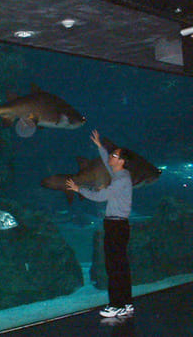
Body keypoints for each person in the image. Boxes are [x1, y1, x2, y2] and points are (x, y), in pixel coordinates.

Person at [66, 129, 134, 318]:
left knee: (114, 267)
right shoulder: (122, 175)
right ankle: (126, 303)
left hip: (115, 226)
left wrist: (79, 189)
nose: (111, 157)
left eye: (114, 156)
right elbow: (106, 162)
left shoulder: (120, 180)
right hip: (119, 225)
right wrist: (100, 147)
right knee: (121, 266)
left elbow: (100, 196)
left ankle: (117, 305)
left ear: (121, 161)